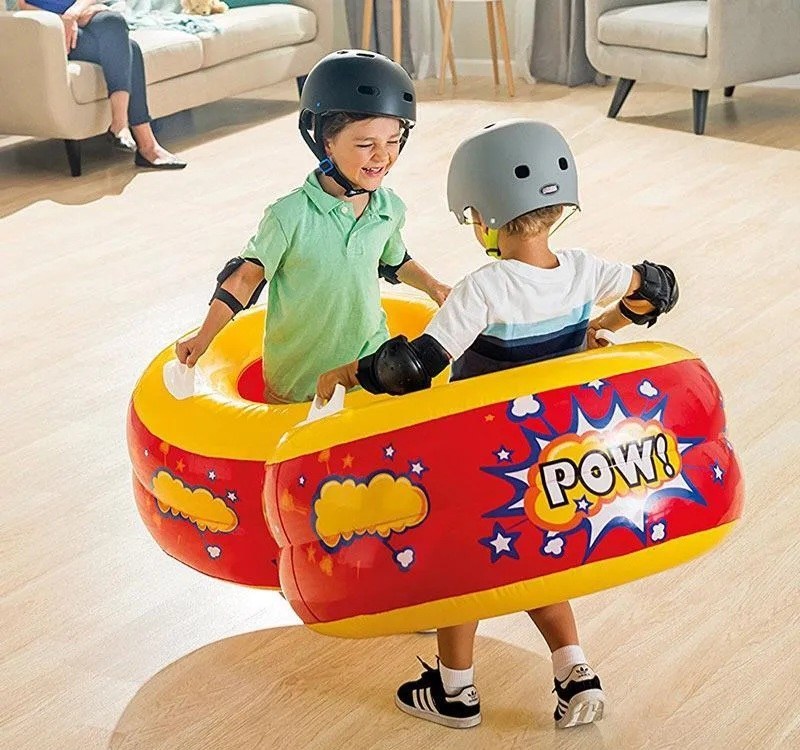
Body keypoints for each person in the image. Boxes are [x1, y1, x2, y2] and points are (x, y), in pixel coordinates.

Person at [316, 119, 679, 729]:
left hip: (483, 458)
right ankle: (574, 671)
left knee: (460, 566)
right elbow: (658, 289)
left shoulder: (483, 289)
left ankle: (454, 691)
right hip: (557, 456)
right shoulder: (585, 270)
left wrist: (352, 371)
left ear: (482, 218)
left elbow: (413, 366)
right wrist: (605, 324)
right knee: (531, 556)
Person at [175, 50, 449, 403]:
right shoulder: (288, 216)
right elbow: (243, 279)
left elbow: (395, 260)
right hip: (298, 381)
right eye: (365, 144)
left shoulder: (388, 208)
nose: (382, 156)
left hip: (367, 370)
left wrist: (434, 287)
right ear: (326, 142)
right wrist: (203, 338)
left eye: (393, 141)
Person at [19, 0, 186, 169]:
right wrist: (62, 20)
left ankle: (121, 125)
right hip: (51, 29)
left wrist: (75, 13)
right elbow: (24, 6)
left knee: (112, 21)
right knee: (130, 49)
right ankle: (145, 145)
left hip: (80, 18)